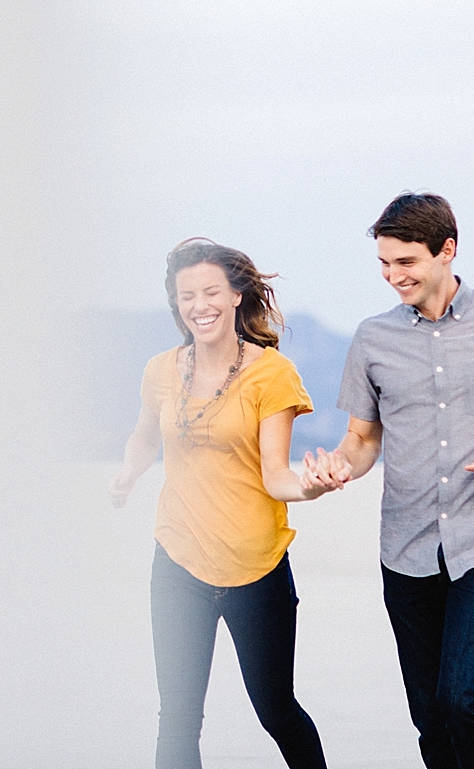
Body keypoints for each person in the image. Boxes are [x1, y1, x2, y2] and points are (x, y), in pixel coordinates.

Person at [319, 193, 474, 769]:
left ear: (447, 250)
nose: (393, 276)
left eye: (405, 262)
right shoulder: (372, 338)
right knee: (429, 714)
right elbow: (361, 441)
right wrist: (338, 467)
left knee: (464, 696)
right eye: (384, 264)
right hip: (405, 543)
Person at [109, 238, 342, 769]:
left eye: (211, 291)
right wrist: (127, 473)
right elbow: (146, 438)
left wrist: (314, 486)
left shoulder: (270, 374)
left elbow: (277, 477)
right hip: (178, 561)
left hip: (255, 569)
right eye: (187, 295)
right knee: (178, 718)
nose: (199, 305)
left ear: (237, 295)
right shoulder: (161, 371)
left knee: (277, 711)